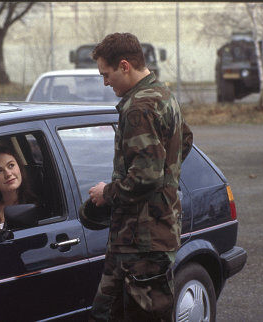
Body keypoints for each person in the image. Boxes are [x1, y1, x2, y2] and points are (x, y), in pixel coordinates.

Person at [87, 33, 193, 321]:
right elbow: (185, 141)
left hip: (142, 243)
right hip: (145, 235)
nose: (106, 82)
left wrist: (105, 193)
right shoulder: (163, 96)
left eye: (106, 75)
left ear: (124, 66)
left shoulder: (139, 108)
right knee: (106, 312)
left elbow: (146, 176)